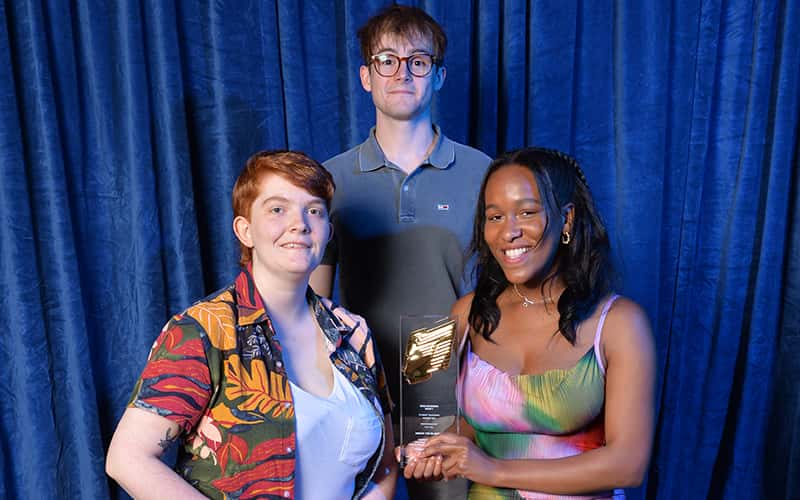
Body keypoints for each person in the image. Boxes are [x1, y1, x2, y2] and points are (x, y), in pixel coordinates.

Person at [106, 151, 397, 500]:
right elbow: (127, 458)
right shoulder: (204, 331)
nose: (300, 223)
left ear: (327, 232)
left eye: (314, 210)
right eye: (277, 209)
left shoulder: (354, 333)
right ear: (245, 231)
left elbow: (385, 466)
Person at [309, 7, 490, 498]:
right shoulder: (329, 182)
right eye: (386, 60)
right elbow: (313, 306)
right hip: (362, 388)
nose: (402, 72)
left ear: (439, 76)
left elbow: (504, 294)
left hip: (456, 391)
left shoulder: (484, 173)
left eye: (418, 60)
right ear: (366, 77)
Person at [403, 147, 656, 498]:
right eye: (495, 217)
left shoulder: (620, 323)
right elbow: (410, 390)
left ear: (567, 220)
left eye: (527, 212)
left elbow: (628, 465)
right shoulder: (463, 313)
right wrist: (433, 449)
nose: (509, 233)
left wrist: (493, 469)